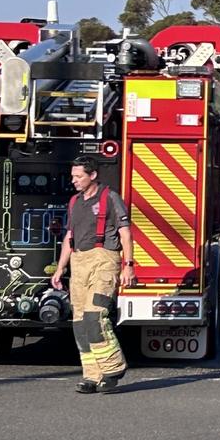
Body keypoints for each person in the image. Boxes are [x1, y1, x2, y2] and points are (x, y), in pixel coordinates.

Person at [51, 156, 134, 394]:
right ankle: (92, 375)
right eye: (73, 176)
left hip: (104, 260)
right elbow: (69, 237)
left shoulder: (110, 198)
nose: (74, 180)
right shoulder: (75, 201)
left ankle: (113, 367)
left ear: (93, 175)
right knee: (79, 323)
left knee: (95, 316)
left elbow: (126, 234)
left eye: (79, 176)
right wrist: (60, 268)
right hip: (79, 263)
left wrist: (128, 265)